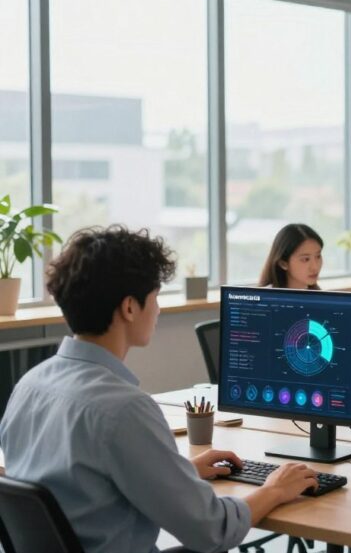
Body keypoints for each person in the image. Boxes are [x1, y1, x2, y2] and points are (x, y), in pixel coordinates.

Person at [0, 226, 319, 553]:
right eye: (155, 297)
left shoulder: (29, 386)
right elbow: (213, 530)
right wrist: (275, 489)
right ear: (129, 308)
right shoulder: (123, 409)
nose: (159, 309)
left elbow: (78, 484)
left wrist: (178, 473)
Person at [259, 223, 324, 289]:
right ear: (283, 263)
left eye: (318, 256)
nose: (315, 267)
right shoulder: (266, 297)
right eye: (306, 259)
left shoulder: (321, 297)